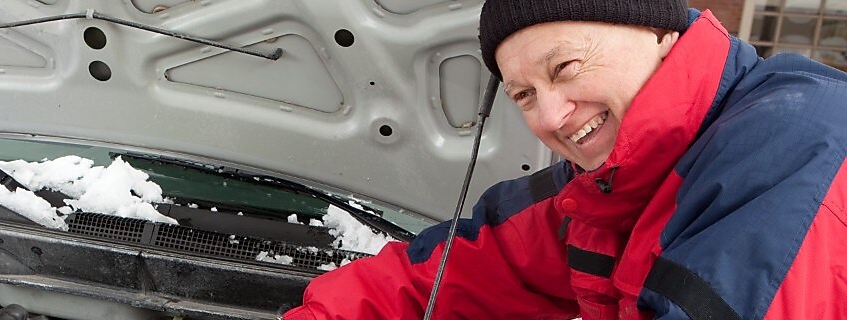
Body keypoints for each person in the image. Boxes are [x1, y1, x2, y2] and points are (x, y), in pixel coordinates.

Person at [283, 0, 847, 319]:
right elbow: (471, 264)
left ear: (657, 31)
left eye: (566, 67)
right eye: (523, 95)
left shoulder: (791, 149)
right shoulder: (621, 184)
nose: (550, 117)